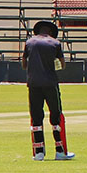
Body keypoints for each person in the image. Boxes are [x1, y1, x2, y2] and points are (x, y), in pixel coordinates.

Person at [22, 20, 74, 160]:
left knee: (36, 117)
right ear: (50, 32)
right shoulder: (55, 43)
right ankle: (60, 151)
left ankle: (38, 153)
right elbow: (62, 65)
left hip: (33, 84)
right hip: (50, 83)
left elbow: (23, 64)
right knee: (56, 116)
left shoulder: (29, 42)